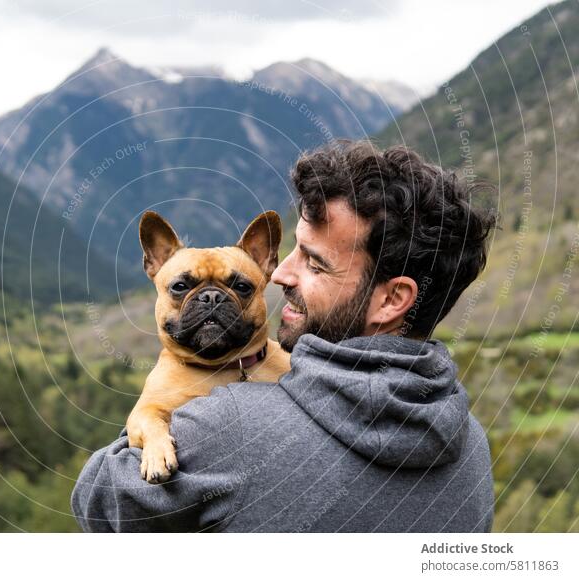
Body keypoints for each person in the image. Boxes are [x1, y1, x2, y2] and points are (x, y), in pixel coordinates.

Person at [71, 140, 497, 532]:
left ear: (392, 300)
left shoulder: (226, 428)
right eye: (291, 251)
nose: (278, 275)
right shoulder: (473, 444)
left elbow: (98, 501)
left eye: (315, 264)